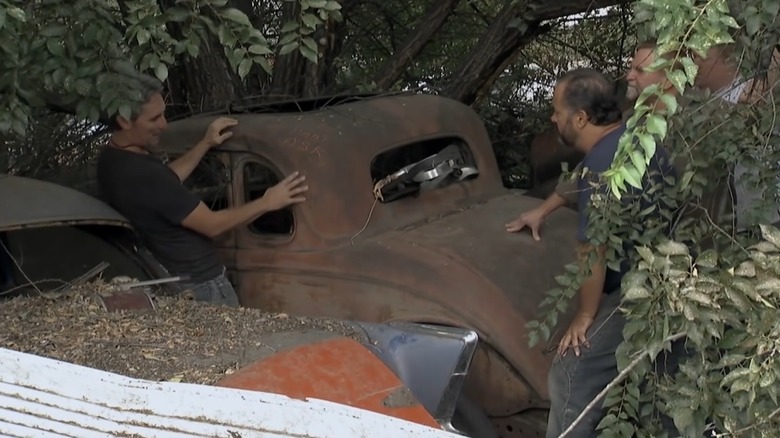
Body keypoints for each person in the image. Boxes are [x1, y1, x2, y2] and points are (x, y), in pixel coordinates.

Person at [541, 67, 677, 437]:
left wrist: (585, 316)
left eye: (557, 110)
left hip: (640, 290)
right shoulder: (633, 139)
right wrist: (544, 207)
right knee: (661, 391)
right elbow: (585, 172)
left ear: (581, 118)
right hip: (675, 279)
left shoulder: (601, 166)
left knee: (571, 374)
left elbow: (592, 249)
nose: (553, 117)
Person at [96, 75, 308, 307]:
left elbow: (166, 181)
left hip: (173, 277)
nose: (164, 124)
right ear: (125, 120)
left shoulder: (113, 159)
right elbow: (212, 224)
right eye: (154, 118)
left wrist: (205, 144)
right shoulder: (144, 174)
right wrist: (267, 202)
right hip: (202, 285)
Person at [506, 40, 676, 240]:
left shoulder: (695, 127)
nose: (629, 76)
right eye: (631, 68)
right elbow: (587, 172)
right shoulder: (632, 118)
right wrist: (542, 211)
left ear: (669, 78)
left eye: (640, 70)